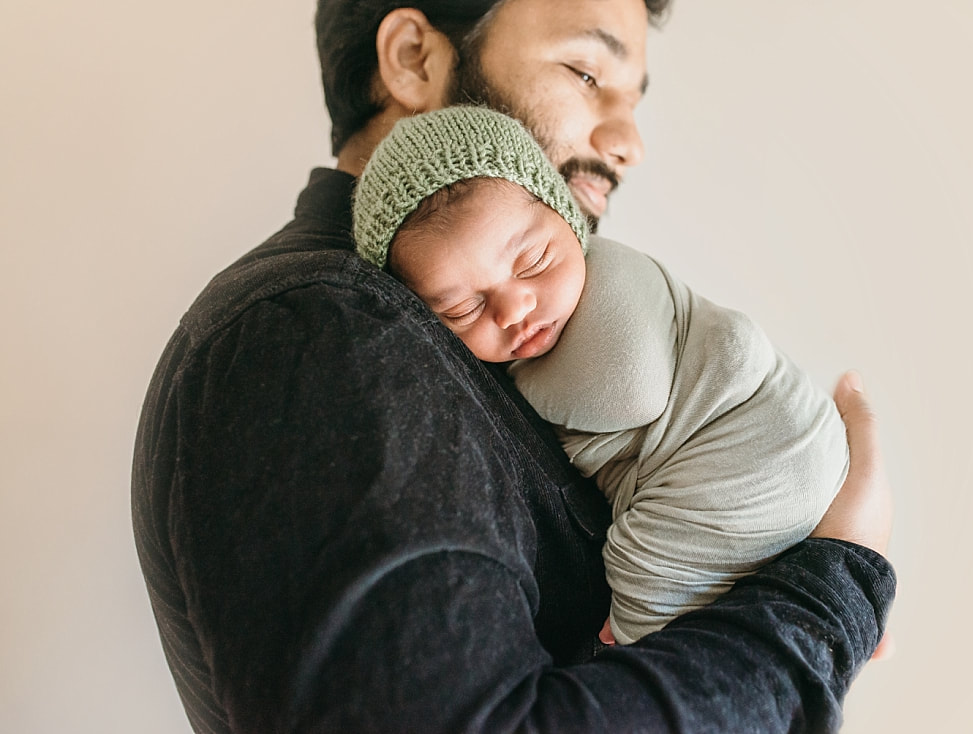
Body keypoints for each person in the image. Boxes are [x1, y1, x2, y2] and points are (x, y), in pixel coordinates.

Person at [131, 1, 896, 732]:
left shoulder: (437, 338)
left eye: (635, 98)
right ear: (411, 58)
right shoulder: (321, 334)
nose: (630, 141)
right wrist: (829, 600)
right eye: (587, 72)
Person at [353, 105, 851, 646]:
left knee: (645, 572)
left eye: (534, 261)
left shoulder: (611, 278)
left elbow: (631, 393)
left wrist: (522, 390)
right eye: (461, 309)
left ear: (567, 216)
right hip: (756, 479)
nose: (514, 307)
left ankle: (635, 652)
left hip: (758, 451)